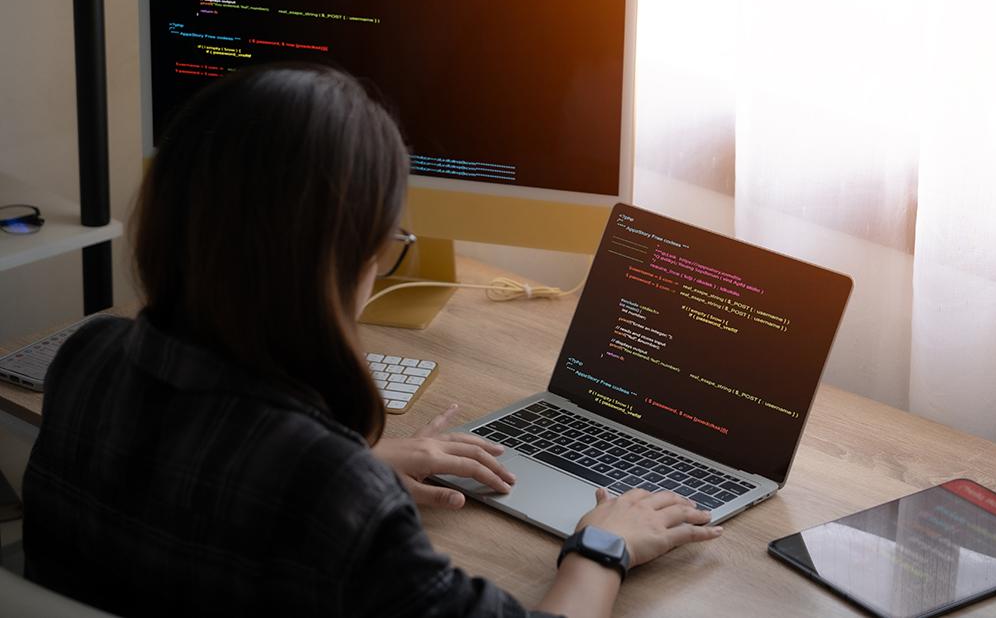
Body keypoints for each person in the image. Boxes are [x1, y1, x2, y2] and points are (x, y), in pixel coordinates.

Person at [22, 63, 721, 617]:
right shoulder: (329, 490)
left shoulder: (89, 357)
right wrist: (603, 547)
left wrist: (359, 455)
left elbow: (202, 463)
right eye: (387, 243)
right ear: (340, 262)